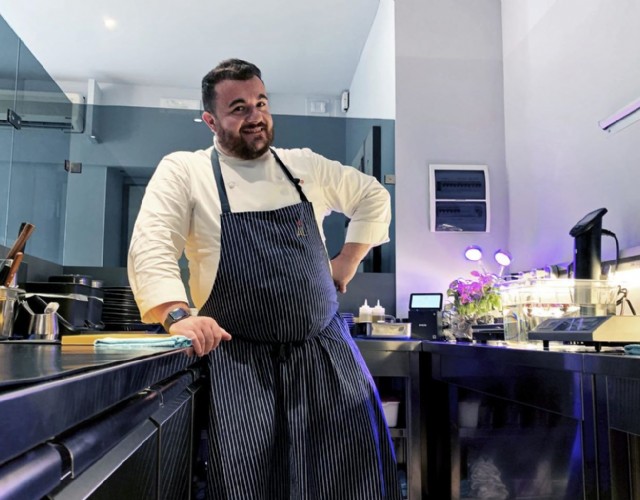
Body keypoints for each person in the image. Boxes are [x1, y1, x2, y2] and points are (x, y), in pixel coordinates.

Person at [128, 58, 400, 499]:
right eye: (238, 108)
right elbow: (153, 242)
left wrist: (347, 262)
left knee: (353, 478)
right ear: (210, 120)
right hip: (240, 364)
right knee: (248, 482)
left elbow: (372, 196)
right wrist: (177, 315)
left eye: (261, 102)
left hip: (326, 353)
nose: (255, 116)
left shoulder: (303, 166)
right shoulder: (186, 170)